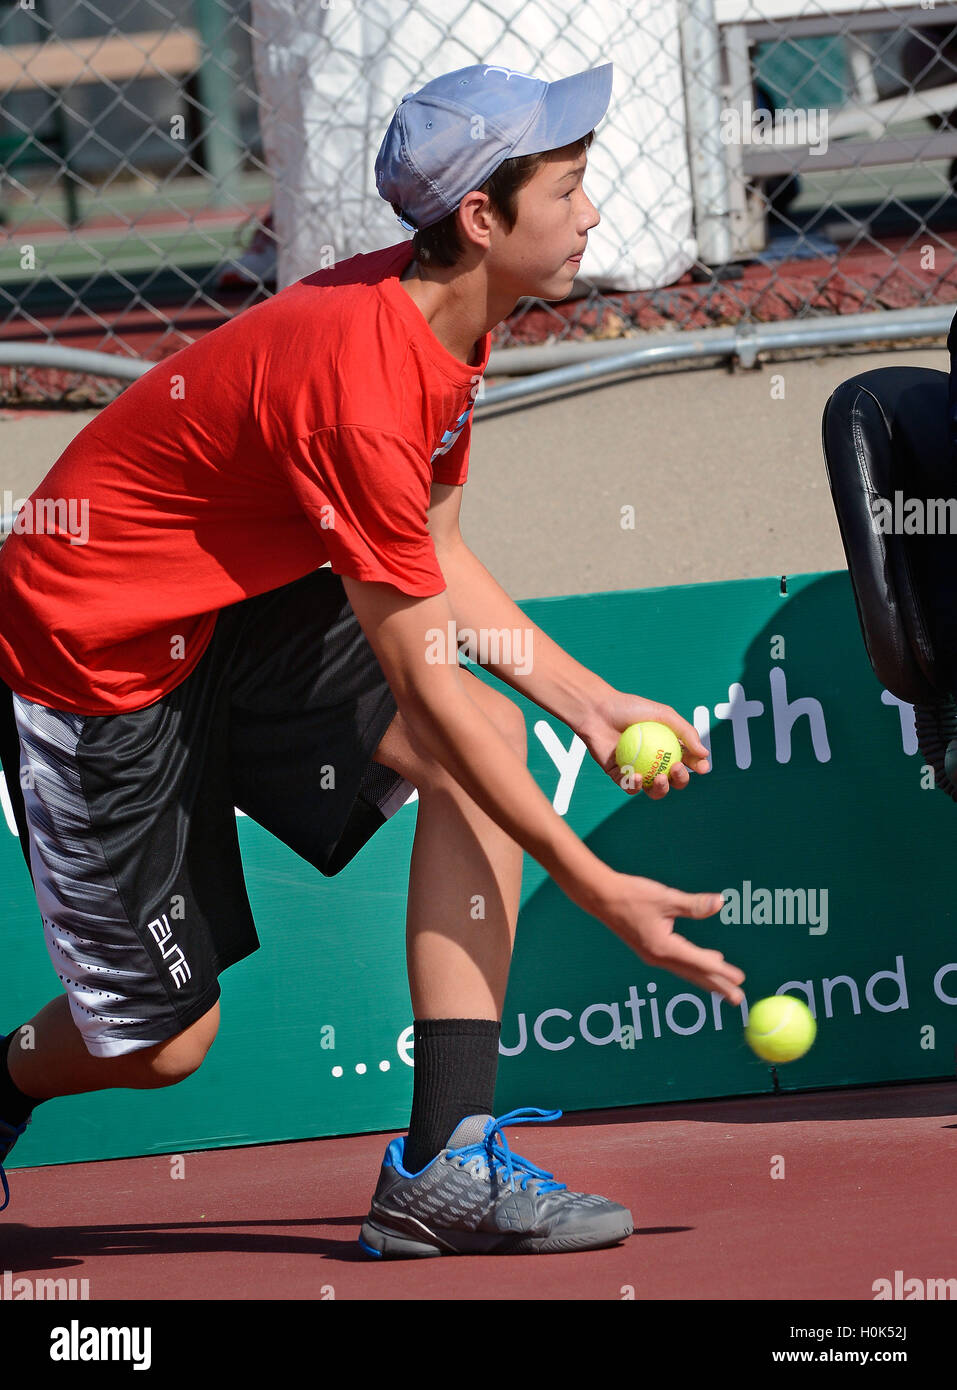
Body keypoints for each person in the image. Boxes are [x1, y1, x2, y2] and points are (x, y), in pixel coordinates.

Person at [0, 61, 745, 1257]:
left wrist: (592, 703)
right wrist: (594, 885)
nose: (593, 213)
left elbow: (438, 552)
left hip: (235, 613)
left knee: (492, 741)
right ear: (482, 218)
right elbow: (423, 683)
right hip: (97, 657)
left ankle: (442, 1163)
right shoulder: (356, 377)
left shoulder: (449, 326)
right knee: (159, 1043)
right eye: (570, 188)